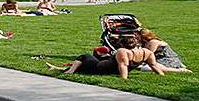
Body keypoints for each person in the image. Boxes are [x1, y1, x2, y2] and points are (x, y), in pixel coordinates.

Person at [48, 36, 189, 80]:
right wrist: (161, 75)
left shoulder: (122, 51)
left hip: (100, 69)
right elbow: (154, 66)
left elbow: (123, 66)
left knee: (85, 57)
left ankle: (69, 71)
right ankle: (62, 68)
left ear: (122, 44)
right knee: (87, 61)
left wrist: (124, 79)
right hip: (107, 67)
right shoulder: (147, 52)